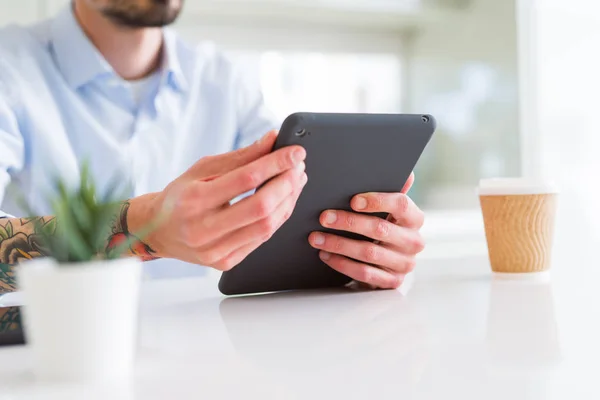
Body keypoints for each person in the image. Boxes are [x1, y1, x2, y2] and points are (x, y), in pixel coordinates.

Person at [0, 0, 425, 294]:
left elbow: (294, 208)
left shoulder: (225, 81)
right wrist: (145, 226)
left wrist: (360, 253)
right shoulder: (10, 67)